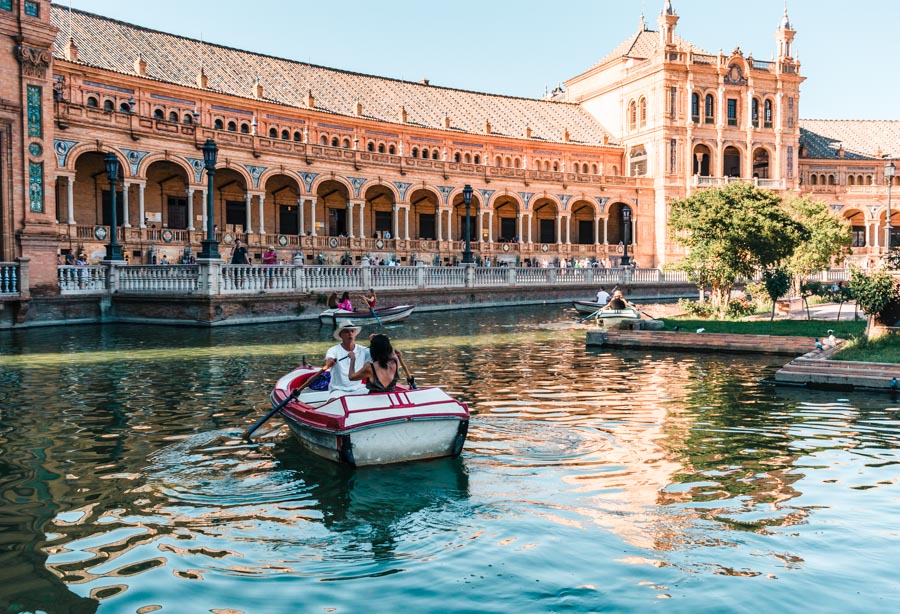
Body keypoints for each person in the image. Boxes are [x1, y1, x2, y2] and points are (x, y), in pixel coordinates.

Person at [323, 321, 370, 395]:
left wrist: (377, 339)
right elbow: (329, 360)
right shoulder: (333, 350)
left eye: (352, 331)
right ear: (340, 335)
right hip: (338, 390)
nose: (350, 334)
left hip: (359, 388)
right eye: (346, 332)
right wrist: (330, 362)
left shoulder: (364, 350)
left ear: (355, 334)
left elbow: (381, 352)